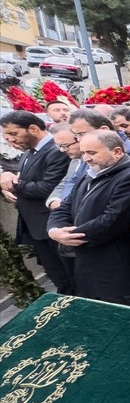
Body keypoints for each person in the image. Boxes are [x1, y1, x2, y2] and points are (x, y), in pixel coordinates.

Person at [46, 131, 130, 305]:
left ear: (117, 152)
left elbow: (112, 220)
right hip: (91, 268)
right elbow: (65, 206)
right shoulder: (90, 175)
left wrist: (71, 235)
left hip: (122, 272)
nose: (86, 158)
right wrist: (55, 230)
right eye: (84, 153)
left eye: (92, 153)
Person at [0, 111, 72, 293]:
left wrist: (14, 184)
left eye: (13, 134)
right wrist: (8, 186)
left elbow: (49, 188)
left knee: (71, 279)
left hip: (54, 225)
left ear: (33, 128)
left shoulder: (56, 150)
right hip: (37, 228)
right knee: (59, 278)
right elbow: (25, 180)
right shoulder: (28, 153)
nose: (11, 141)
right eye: (6, 138)